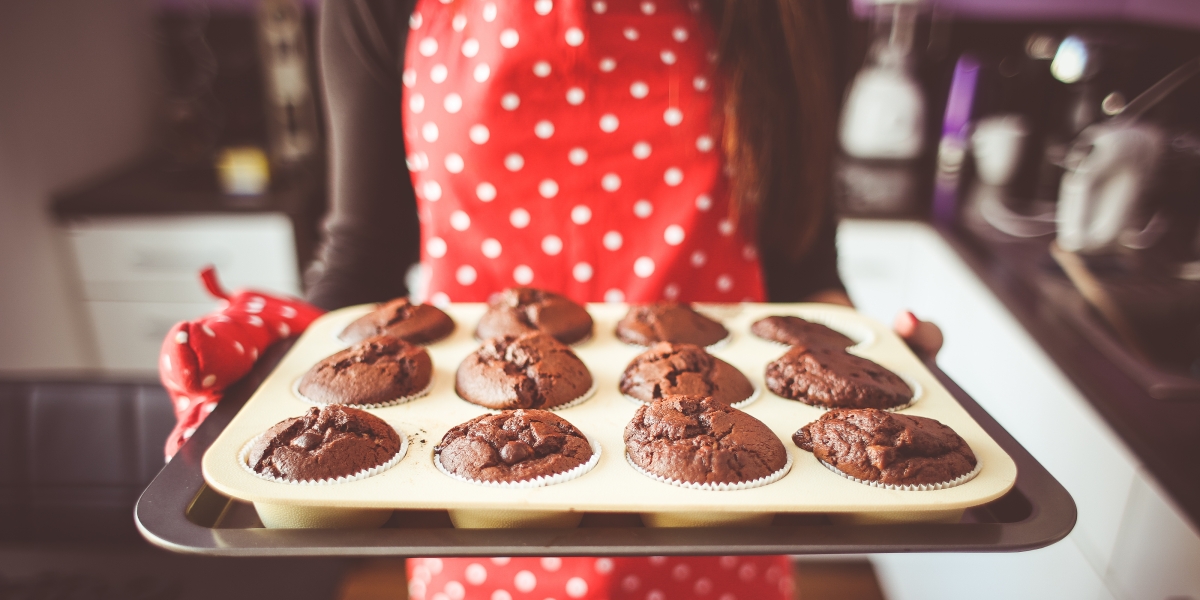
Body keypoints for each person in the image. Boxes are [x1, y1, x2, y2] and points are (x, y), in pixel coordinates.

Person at [308, 0, 942, 598]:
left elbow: (801, 262)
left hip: (721, 503)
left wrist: (867, 365)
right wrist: (273, 355)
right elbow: (362, 257)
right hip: (483, 496)